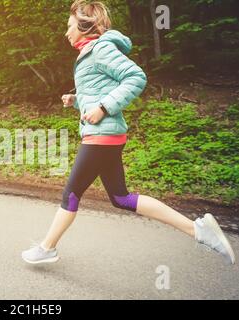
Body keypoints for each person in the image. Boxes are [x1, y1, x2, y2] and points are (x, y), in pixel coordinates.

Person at [21, 0, 235, 265]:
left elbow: (136, 77)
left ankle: (47, 247)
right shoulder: (90, 51)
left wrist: (103, 107)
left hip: (101, 136)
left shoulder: (100, 49)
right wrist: (77, 101)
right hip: (104, 135)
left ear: (85, 25)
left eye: (69, 26)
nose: (66, 32)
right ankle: (199, 230)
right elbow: (100, 89)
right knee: (121, 198)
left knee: (71, 194)